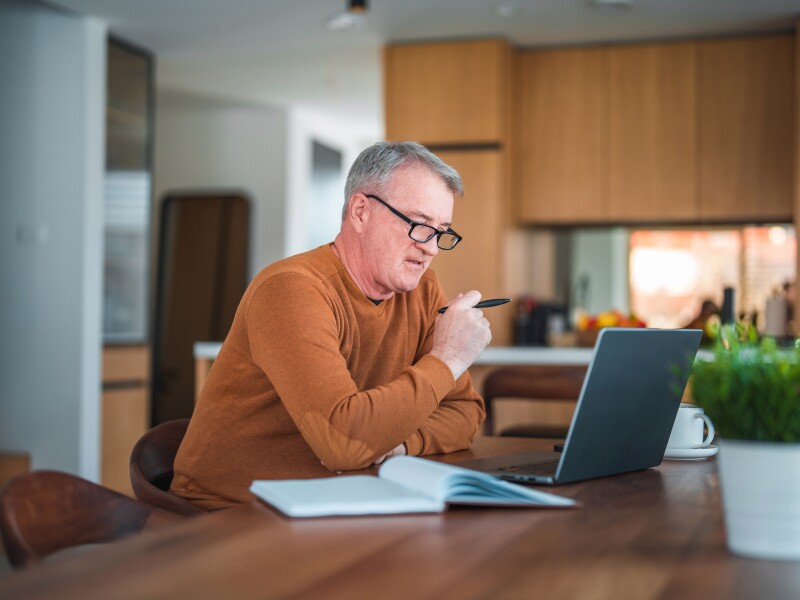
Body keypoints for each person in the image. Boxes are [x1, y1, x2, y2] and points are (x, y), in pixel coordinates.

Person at [170, 141, 492, 510]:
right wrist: (448, 358)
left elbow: (465, 413)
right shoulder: (291, 289)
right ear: (360, 211)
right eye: (419, 225)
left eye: (441, 231)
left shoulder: (422, 291)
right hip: (229, 514)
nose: (431, 248)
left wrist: (401, 442)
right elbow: (343, 444)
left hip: (334, 503)